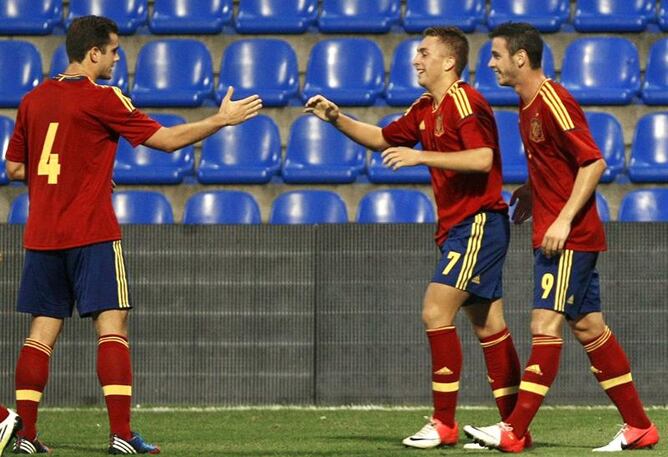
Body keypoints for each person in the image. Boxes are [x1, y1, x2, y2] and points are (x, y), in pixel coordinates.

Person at [4, 15, 262, 455]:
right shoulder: (103, 98)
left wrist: (72, 177)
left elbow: (14, 169)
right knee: (113, 326)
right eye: (113, 51)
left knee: (41, 333)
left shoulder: (33, 100)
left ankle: (24, 435)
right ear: (93, 54)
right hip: (91, 232)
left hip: (43, 235)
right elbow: (165, 140)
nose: (117, 59)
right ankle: (121, 434)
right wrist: (221, 120)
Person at [305, 26, 524, 450]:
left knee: (434, 312)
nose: (416, 59)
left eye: (424, 52)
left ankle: (443, 424)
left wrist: (421, 154)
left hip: (478, 222)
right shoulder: (426, 106)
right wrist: (336, 118)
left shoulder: (466, 101)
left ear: (448, 61)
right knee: (488, 325)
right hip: (459, 227)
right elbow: (383, 138)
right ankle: (514, 425)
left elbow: (483, 159)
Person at [464, 22, 659, 453]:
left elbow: (593, 163)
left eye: (496, 55)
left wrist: (563, 220)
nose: (490, 64)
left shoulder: (553, 99)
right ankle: (640, 427)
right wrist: (536, 190)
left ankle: (514, 431)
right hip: (558, 230)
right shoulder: (526, 105)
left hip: (567, 236)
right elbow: (563, 162)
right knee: (590, 328)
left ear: (520, 58)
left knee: (543, 325)